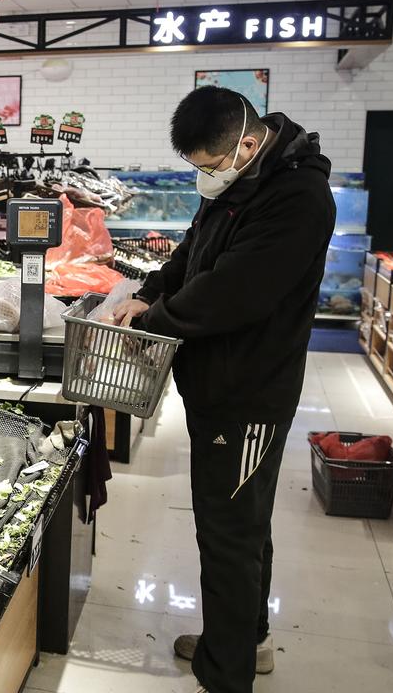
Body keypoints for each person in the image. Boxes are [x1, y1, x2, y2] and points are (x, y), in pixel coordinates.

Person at [109, 86, 335, 693]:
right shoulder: (244, 181)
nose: (206, 179)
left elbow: (234, 290)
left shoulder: (298, 197)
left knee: (228, 531)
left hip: (249, 391)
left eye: (211, 167)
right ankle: (245, 639)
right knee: (242, 521)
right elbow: (195, 251)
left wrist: (154, 322)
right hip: (220, 381)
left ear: (248, 141)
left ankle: (225, 673)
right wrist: (150, 290)